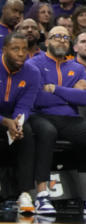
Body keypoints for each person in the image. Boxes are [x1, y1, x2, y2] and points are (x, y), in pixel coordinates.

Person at [26, 26, 86, 217]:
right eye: (57, 36)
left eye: (66, 37)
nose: (62, 40)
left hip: (70, 118)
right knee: (47, 132)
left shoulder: (77, 68)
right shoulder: (34, 64)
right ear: (47, 41)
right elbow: (37, 99)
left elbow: (84, 99)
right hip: (41, 116)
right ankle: (41, 194)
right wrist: (70, 92)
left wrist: (54, 89)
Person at [0, 30, 40, 216]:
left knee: (27, 134)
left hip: (13, 116)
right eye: (15, 49)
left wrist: (17, 124)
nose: (21, 53)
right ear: (4, 50)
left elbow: (25, 105)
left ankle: (24, 193)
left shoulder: (32, 72)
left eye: (24, 49)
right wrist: (4, 121)